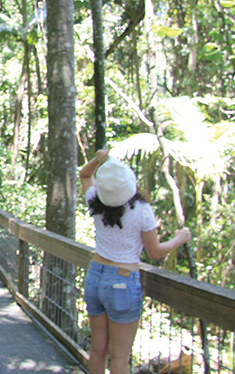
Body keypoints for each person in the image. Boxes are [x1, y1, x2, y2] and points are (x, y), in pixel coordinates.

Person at [80, 149, 192, 374]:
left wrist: (98, 159)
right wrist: (180, 238)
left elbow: (84, 175)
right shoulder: (141, 210)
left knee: (98, 350)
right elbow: (155, 252)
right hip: (122, 280)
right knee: (119, 357)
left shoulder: (94, 199)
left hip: (95, 275)